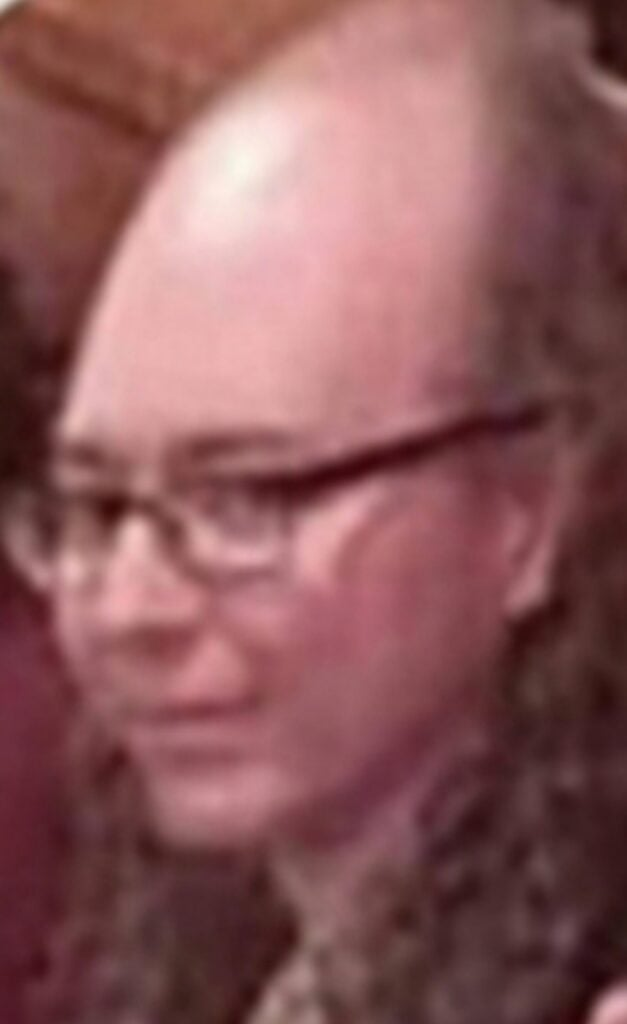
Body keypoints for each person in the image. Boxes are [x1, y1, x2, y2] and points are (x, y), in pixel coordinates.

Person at [7, 0, 627, 1022]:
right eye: (96, 504)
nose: (126, 610)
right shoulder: (213, 935)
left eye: (243, 500)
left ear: (529, 513)